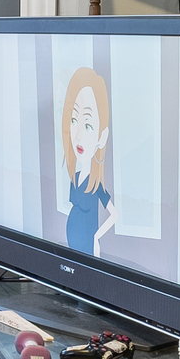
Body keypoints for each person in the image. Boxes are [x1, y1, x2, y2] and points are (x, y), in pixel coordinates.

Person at [59, 65, 116, 257]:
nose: (79, 135)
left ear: (102, 136)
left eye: (88, 125)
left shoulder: (96, 184)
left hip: (86, 244)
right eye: (74, 120)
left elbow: (113, 215)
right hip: (72, 240)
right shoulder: (75, 176)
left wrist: (97, 237)